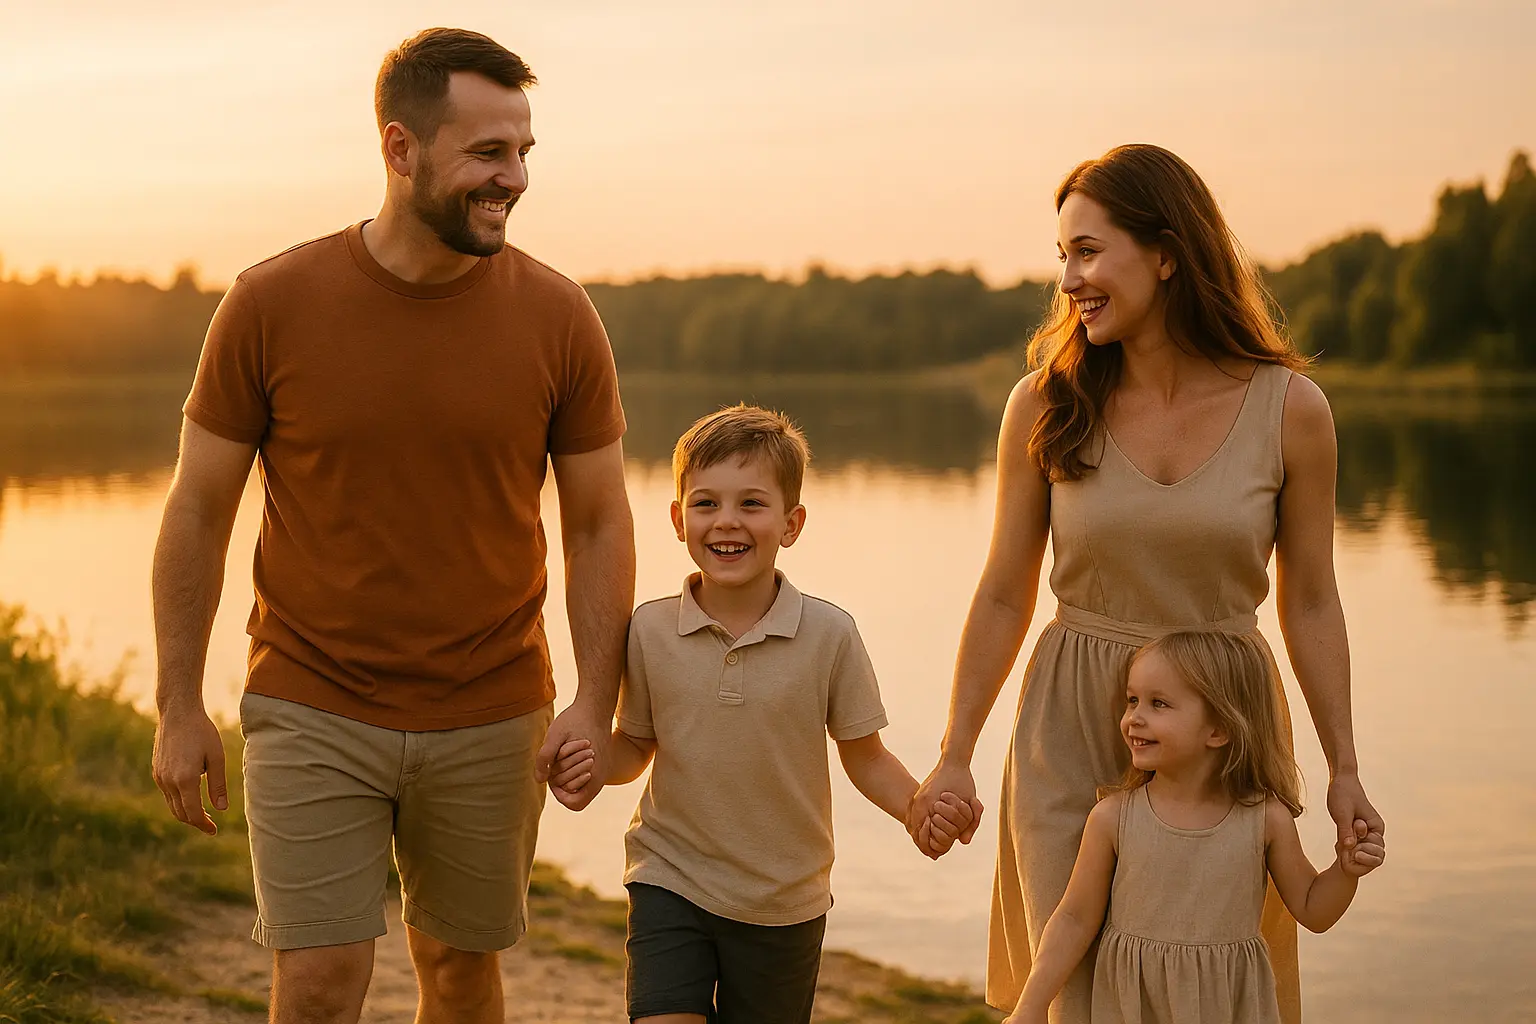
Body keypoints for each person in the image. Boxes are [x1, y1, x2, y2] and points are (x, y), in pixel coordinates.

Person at [149, 28, 634, 1024]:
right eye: (488, 154)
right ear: (400, 148)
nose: (514, 179)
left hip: (492, 706)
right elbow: (198, 510)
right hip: (311, 697)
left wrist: (596, 695)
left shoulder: (560, 317)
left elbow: (597, 522)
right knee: (320, 982)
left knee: (459, 972)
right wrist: (177, 702)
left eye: (523, 154)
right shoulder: (269, 303)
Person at [907, 144, 1385, 1022]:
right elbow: (1006, 590)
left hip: (1222, 735)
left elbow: (1312, 598)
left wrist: (1344, 769)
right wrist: (954, 756)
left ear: (1166, 253)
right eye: (1061, 256)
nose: (1068, 279)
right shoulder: (1044, 404)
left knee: (1208, 990)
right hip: (1073, 720)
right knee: (1073, 991)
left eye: (1087, 252)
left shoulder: (1292, 411)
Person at [546, 404, 979, 1024]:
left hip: (785, 901)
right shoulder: (647, 630)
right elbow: (633, 746)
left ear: (791, 522)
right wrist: (590, 767)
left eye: (752, 503)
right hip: (670, 878)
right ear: (677, 519)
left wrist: (916, 808)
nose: (727, 522)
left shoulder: (830, 635)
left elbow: (867, 757)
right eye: (705, 503)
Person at [1010, 630, 1385, 1024]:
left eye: (1159, 704)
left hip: (1230, 1008)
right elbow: (1073, 919)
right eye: (1132, 700)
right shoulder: (1112, 818)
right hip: (1132, 1010)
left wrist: (1346, 871)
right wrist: (1031, 1007)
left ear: (1219, 729)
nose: (1134, 718)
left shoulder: (1265, 819)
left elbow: (1314, 910)